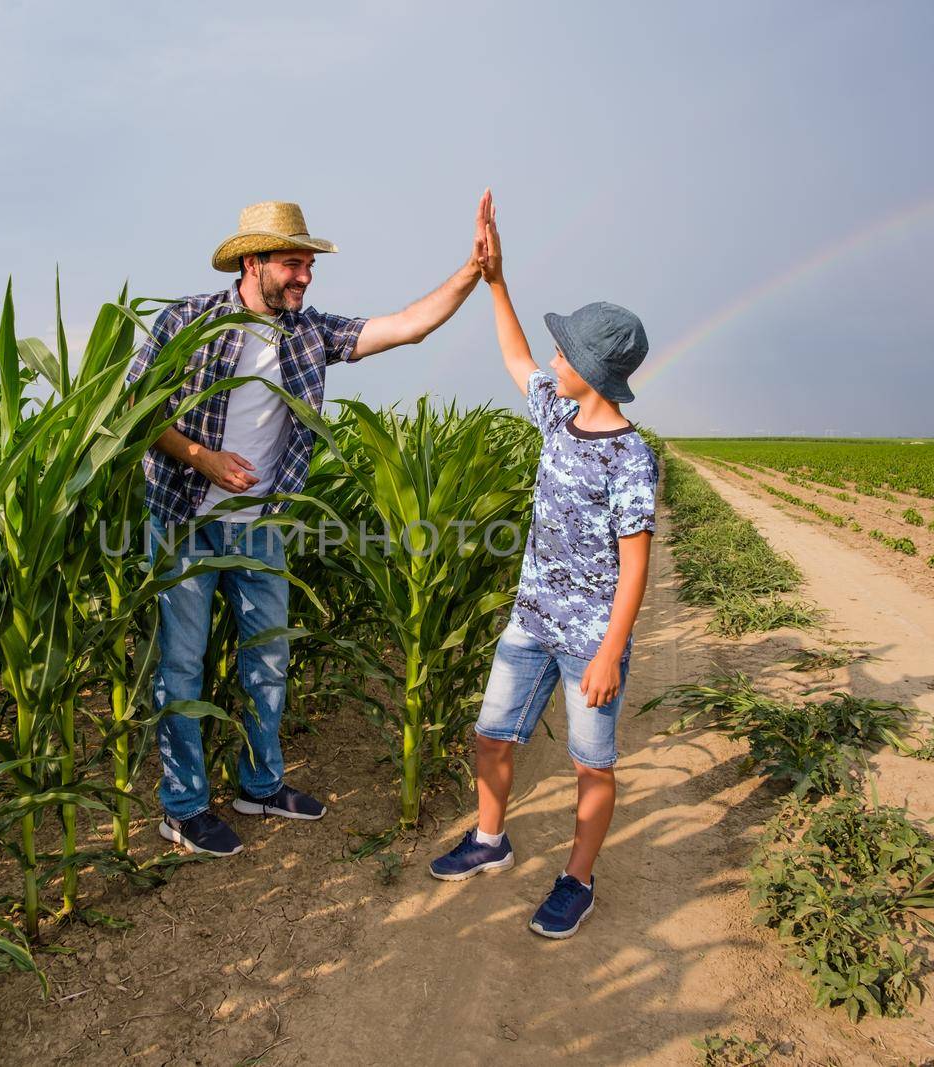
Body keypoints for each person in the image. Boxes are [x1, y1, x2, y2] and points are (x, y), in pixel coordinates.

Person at [129, 197, 489, 857]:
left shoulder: (306, 333)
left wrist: (472, 271)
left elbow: (405, 326)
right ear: (254, 260)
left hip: (259, 525)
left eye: (308, 264)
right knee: (181, 664)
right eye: (294, 263)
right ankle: (181, 809)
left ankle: (259, 784)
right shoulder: (188, 322)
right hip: (183, 519)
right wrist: (201, 456)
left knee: (268, 658)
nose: (305, 276)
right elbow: (134, 408)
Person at [427, 191, 657, 939]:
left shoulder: (630, 457)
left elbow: (636, 566)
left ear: (593, 370)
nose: (553, 360)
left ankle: (577, 879)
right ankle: (491, 838)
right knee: (492, 735)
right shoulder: (558, 414)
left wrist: (612, 654)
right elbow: (515, 354)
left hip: (590, 639)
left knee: (592, 766)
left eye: (568, 353)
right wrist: (496, 279)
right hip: (529, 622)